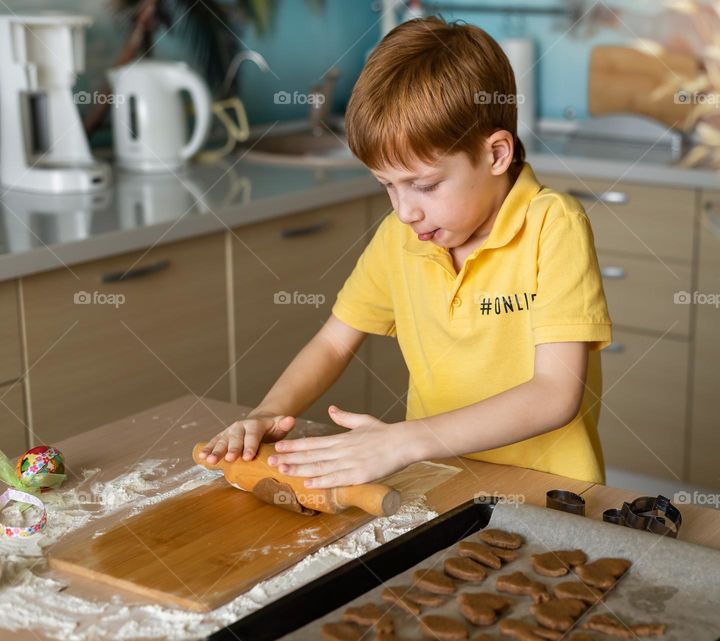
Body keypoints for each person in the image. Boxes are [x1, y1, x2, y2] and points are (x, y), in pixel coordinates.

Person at [200, 16, 612, 486]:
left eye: (425, 185)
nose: (405, 212)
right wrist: (269, 412)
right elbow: (334, 342)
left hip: (551, 492)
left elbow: (554, 395)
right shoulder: (400, 238)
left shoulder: (553, 226)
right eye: (387, 187)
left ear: (497, 155)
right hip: (438, 483)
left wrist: (403, 440)